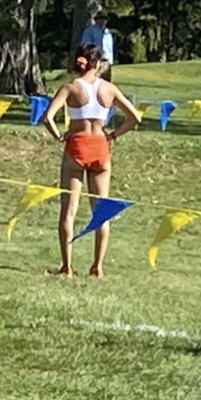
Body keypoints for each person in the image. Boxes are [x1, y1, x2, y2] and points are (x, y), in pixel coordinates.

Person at [40, 44, 141, 277]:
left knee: (69, 211)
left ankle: (67, 266)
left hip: (76, 145)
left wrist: (59, 136)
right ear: (97, 63)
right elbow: (134, 118)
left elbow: (47, 118)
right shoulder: (109, 89)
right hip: (100, 147)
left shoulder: (69, 88)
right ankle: (98, 266)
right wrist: (114, 135)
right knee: (101, 211)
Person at [80, 9, 115, 81]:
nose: (103, 20)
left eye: (105, 18)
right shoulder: (89, 31)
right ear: (96, 20)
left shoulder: (108, 33)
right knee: (95, 81)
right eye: (101, 18)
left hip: (106, 61)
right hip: (95, 61)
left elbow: (110, 48)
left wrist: (110, 61)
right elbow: (86, 45)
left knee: (106, 83)